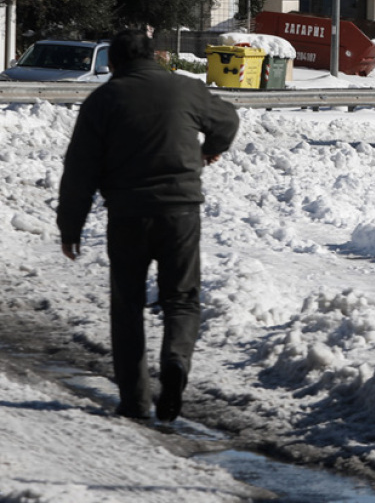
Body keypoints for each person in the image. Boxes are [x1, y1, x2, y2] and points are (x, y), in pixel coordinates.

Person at [57, 28, 239, 422]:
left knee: (127, 308)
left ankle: (135, 401)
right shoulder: (184, 88)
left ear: (113, 63)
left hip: (128, 216)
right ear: (155, 55)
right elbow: (227, 119)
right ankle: (175, 363)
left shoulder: (102, 100)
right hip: (181, 213)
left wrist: (70, 227)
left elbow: (79, 171)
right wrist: (210, 151)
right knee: (182, 300)